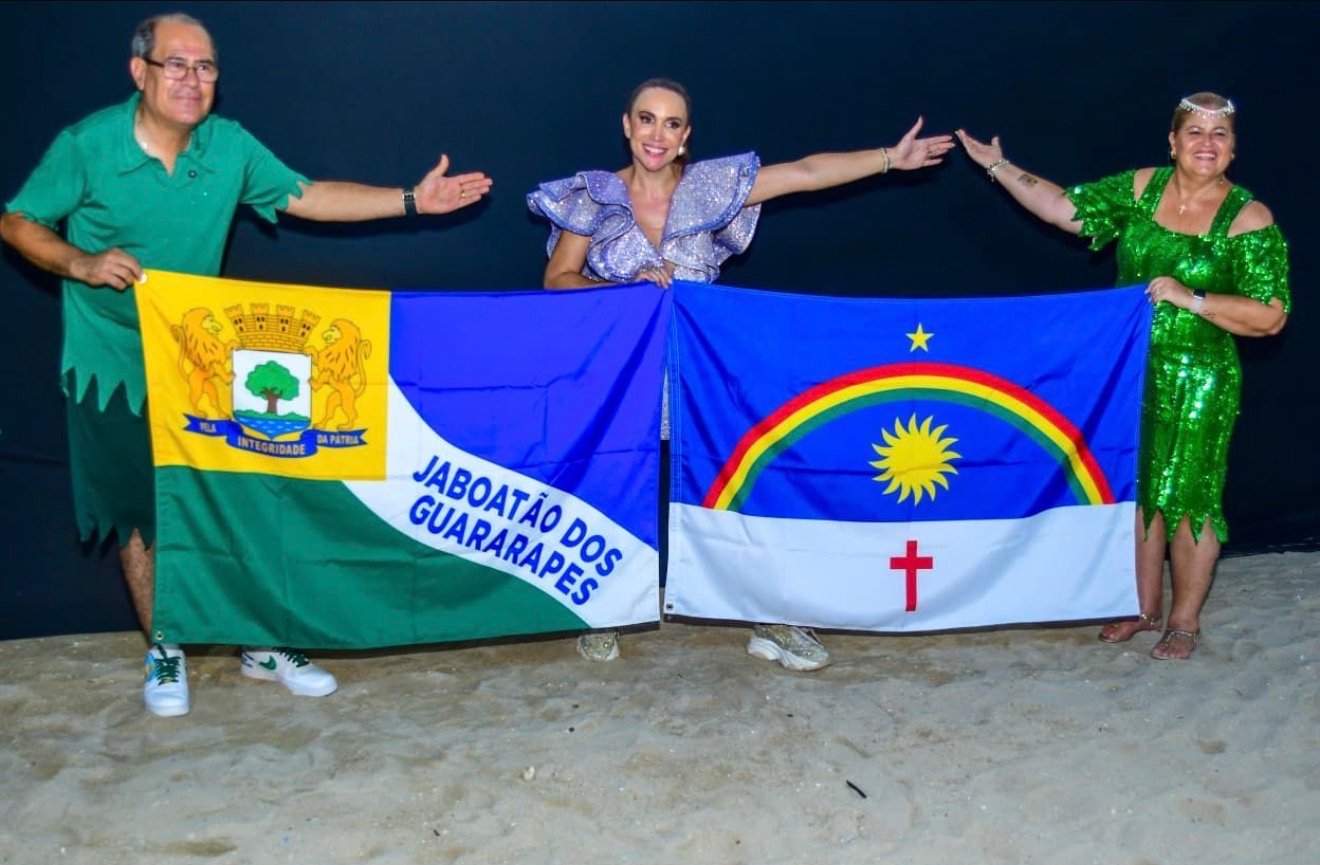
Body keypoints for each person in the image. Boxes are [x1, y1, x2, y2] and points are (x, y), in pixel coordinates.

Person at [0, 13, 493, 717]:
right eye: (176, 65)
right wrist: (77, 261)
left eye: (205, 67)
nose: (192, 80)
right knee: (140, 513)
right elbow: (17, 220)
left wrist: (413, 200)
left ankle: (259, 643)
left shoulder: (227, 147)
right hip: (111, 365)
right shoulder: (88, 145)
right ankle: (165, 644)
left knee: (237, 498)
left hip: (199, 357)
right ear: (140, 72)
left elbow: (307, 196)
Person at [527, 77, 953, 670]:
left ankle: (770, 617)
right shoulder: (592, 197)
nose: (658, 134)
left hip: (708, 375)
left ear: (685, 136)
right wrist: (624, 292)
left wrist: (889, 158)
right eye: (646, 120)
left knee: (744, 482)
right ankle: (607, 608)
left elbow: (804, 172)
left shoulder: (713, 187)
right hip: (623, 375)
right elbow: (557, 280)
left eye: (672, 124)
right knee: (615, 482)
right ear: (626, 126)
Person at [955, 92, 1289, 660]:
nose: (1207, 144)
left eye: (1220, 135)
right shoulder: (1142, 189)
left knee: (1189, 495)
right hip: (1129, 371)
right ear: (1173, 141)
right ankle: (1141, 606)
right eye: (1195, 132)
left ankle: (1183, 620)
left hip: (1200, 378)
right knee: (1134, 491)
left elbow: (1272, 315)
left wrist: (1192, 298)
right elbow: (1067, 209)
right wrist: (997, 165)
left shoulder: (1249, 218)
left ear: (1233, 148)